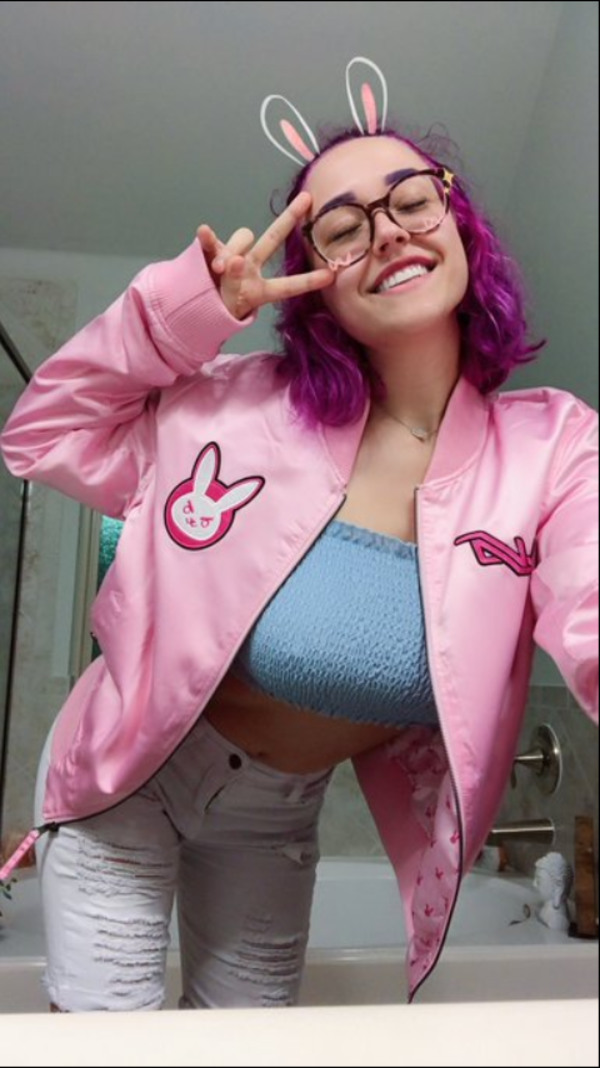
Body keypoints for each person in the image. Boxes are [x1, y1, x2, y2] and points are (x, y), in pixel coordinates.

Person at [0, 57, 597, 1012]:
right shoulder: (233, 408)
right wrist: (186, 314)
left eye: (412, 199)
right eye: (344, 228)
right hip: (127, 787)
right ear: (316, 283)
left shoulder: (553, 448)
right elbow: (41, 434)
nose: (389, 232)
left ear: (459, 225)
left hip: (273, 821)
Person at [533, 853, 574, 932]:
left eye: (539, 880)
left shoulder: (558, 920)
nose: (534, 884)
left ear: (558, 888)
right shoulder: (546, 909)